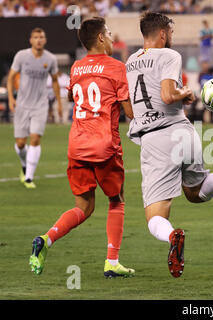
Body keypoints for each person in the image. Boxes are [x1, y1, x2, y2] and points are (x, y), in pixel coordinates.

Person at [126, 11, 213, 278]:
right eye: (171, 33)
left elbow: (144, 103)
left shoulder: (131, 62)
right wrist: (187, 93)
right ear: (163, 34)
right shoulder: (170, 55)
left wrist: (178, 95)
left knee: (155, 217)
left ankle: (172, 237)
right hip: (183, 131)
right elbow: (171, 95)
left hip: (156, 138)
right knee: (195, 192)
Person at [29, 17, 135, 278]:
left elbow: (70, 94)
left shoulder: (76, 67)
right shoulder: (116, 67)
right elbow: (130, 112)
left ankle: (46, 239)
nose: (111, 37)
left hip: (77, 145)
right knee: (116, 200)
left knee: (84, 207)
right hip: (103, 146)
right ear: (100, 38)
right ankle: (112, 262)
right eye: (108, 33)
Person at [7, 27, 63, 189]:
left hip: (40, 104)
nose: (39, 40)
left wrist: (59, 103)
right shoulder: (21, 56)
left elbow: (54, 81)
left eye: (42, 37)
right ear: (31, 40)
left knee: (35, 139)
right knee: (20, 143)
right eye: (36, 37)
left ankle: (29, 178)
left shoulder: (51, 59)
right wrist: (11, 98)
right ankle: (25, 165)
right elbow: (11, 77)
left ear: (45, 40)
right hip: (22, 105)